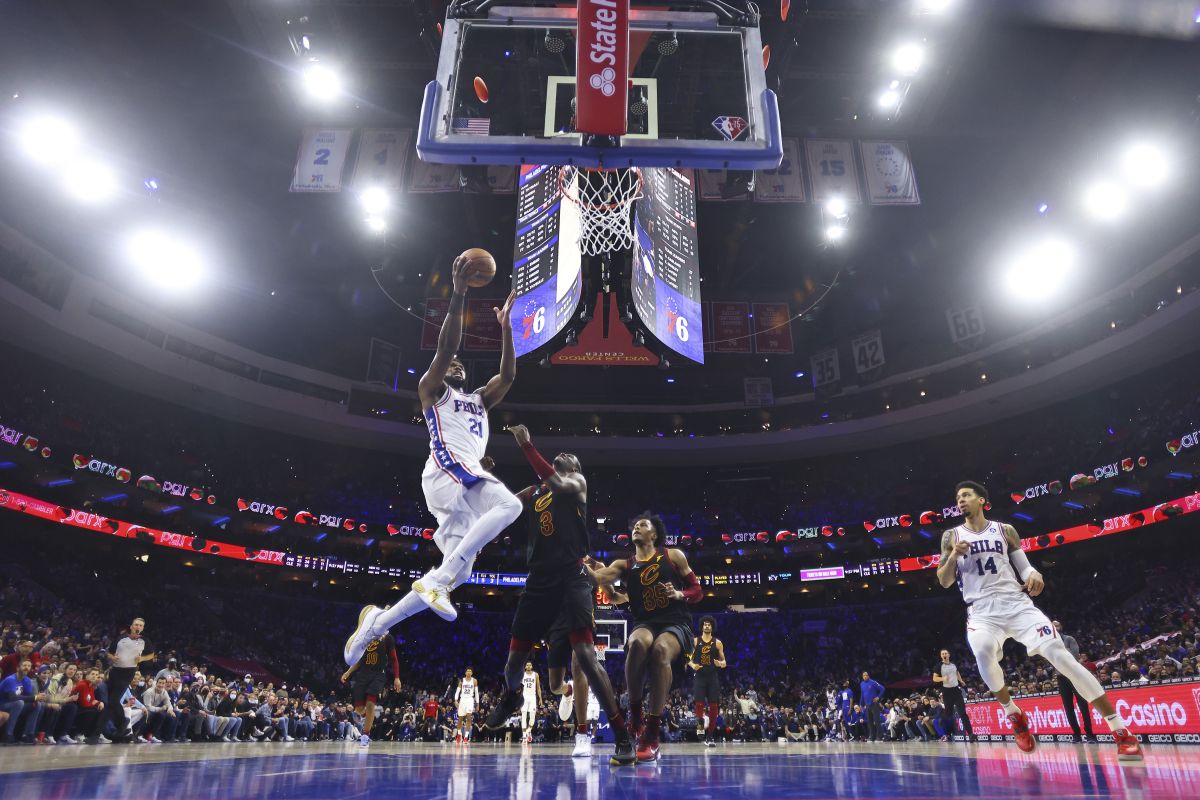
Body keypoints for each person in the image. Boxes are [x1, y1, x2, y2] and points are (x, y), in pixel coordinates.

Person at [344, 257, 521, 664]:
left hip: (460, 482)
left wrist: (507, 331)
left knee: (462, 574)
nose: (455, 365)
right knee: (509, 505)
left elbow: (508, 377)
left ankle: (376, 624)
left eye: (460, 365)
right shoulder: (432, 389)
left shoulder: (479, 400)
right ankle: (438, 581)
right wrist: (458, 293)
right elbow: (446, 347)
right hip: (447, 472)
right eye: (450, 365)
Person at [937, 480, 1142, 760]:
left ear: (982, 500)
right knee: (983, 651)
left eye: (966, 495)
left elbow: (1024, 566)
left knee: (1063, 657)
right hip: (981, 610)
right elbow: (945, 580)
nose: (960, 500)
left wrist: (1034, 573)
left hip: (1017, 604)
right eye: (958, 497)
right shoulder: (951, 536)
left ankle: (1120, 730)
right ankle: (1014, 715)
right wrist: (953, 559)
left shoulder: (1004, 530)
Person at [483, 425, 635, 766]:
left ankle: (622, 734)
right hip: (539, 581)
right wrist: (482, 474)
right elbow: (502, 505)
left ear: (576, 468)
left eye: (571, 456)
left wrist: (526, 445)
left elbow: (557, 481)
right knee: (513, 664)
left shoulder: (575, 484)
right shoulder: (535, 490)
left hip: (573, 574)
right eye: (561, 454)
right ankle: (511, 698)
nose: (565, 453)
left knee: (584, 654)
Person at [586, 515, 704, 762]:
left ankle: (651, 734)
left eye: (644, 524)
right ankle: (636, 715)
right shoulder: (624, 565)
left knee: (661, 650)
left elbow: (697, 591)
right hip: (646, 623)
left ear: (655, 535)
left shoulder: (673, 556)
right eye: (635, 525)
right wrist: (578, 563)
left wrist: (680, 594)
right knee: (637, 643)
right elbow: (597, 579)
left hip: (675, 622)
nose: (637, 526)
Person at [340, 633, 401, 748]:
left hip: (378, 674)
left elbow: (393, 659)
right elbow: (359, 659)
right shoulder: (365, 635)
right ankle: (368, 717)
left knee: (370, 704)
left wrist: (397, 677)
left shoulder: (387, 637)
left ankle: (365, 736)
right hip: (363, 674)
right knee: (358, 709)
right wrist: (348, 672)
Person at [104, 618, 156, 742]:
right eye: (136, 624)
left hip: (129, 672)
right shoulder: (121, 638)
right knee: (110, 702)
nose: (138, 627)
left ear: (142, 628)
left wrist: (142, 659)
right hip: (115, 670)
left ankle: (123, 723)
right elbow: (108, 653)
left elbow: (152, 654)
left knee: (114, 700)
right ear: (131, 626)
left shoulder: (145, 640)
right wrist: (113, 657)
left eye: (141, 625)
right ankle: (114, 730)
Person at [688, 615, 726, 747]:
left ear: (712, 626)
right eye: (705, 624)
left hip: (712, 677)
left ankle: (710, 737)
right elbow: (688, 658)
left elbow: (724, 662)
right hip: (699, 677)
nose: (707, 626)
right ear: (702, 626)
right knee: (699, 704)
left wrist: (720, 663)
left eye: (709, 624)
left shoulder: (718, 643)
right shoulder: (694, 641)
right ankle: (700, 724)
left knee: (714, 707)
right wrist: (693, 666)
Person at [932, 649, 976, 742]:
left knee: (963, 713)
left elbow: (957, 672)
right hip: (947, 692)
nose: (944, 655)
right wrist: (942, 678)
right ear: (941, 656)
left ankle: (971, 734)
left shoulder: (953, 664)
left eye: (946, 653)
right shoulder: (938, 666)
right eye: (942, 653)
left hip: (956, 691)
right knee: (948, 714)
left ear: (949, 655)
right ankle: (942, 722)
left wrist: (961, 680)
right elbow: (935, 678)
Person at [517, 662, 542, 744]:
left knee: (532, 716)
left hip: (532, 697)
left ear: (532, 666)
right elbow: (519, 687)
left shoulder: (536, 675)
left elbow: (538, 687)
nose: (528, 666)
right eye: (527, 665)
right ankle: (524, 735)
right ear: (525, 667)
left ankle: (528, 730)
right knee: (523, 716)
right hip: (524, 696)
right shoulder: (522, 674)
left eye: (530, 665)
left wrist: (540, 698)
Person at [453, 668, 477, 743]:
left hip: (470, 699)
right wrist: (456, 700)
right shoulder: (462, 680)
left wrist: (478, 703)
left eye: (470, 671)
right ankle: (459, 734)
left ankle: (466, 737)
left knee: (469, 717)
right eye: (467, 671)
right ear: (465, 672)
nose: (469, 672)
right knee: (460, 718)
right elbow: (457, 691)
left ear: (472, 673)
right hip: (462, 699)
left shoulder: (474, 681)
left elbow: (476, 693)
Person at [859, 671, 884, 742]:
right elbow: (862, 695)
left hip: (874, 704)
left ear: (868, 676)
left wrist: (878, 697)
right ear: (862, 677)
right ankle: (872, 736)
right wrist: (861, 704)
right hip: (867, 705)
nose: (865, 676)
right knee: (870, 722)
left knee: (877, 720)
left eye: (866, 675)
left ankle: (879, 736)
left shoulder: (873, 682)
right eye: (863, 675)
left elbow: (882, 689)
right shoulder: (862, 684)